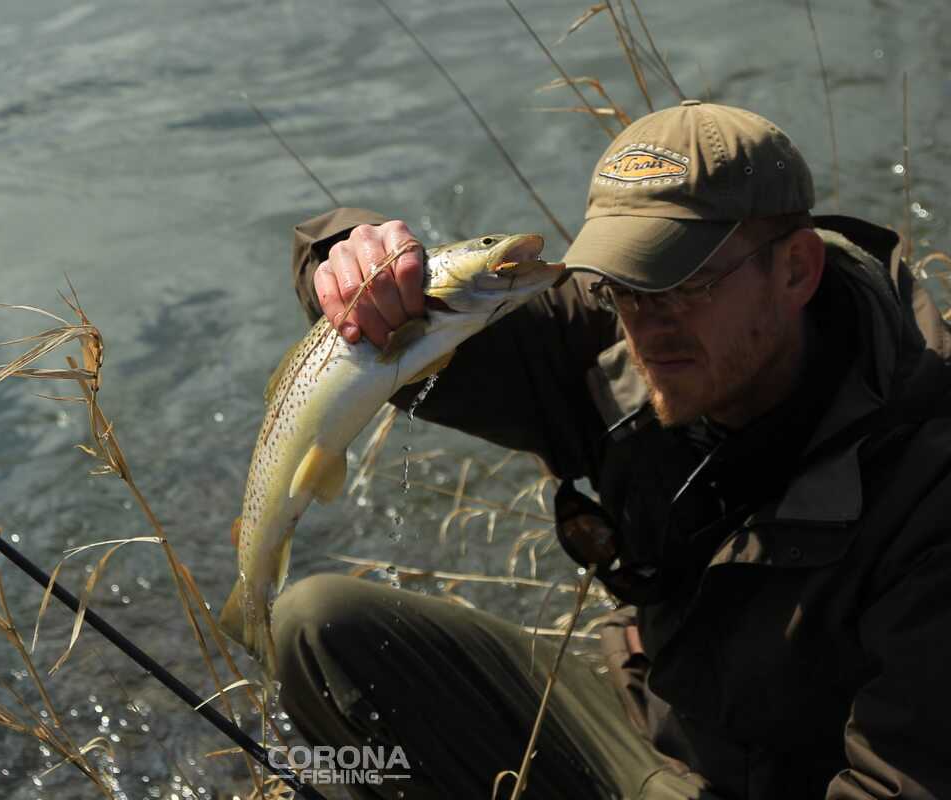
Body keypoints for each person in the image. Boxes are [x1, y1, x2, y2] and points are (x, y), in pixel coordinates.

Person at [270, 100, 951, 800]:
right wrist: (349, 259)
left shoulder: (928, 479)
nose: (647, 327)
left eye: (684, 284)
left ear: (796, 271)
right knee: (318, 626)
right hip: (643, 706)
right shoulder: (607, 336)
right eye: (625, 284)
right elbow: (400, 330)